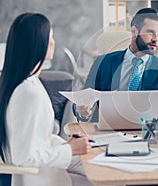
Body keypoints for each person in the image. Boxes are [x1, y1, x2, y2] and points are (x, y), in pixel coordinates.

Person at [0, 13, 92, 186]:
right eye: (50, 36)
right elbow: (24, 156)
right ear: (38, 43)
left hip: (47, 171)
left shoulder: (30, 82)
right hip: (41, 179)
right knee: (104, 179)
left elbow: (40, 138)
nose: (53, 42)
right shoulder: (28, 93)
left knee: (98, 166)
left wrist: (67, 145)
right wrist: (69, 150)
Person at [75, 8, 158, 121]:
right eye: (150, 32)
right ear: (134, 31)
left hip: (143, 132)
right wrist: (83, 111)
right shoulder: (103, 62)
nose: (156, 39)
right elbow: (82, 100)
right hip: (107, 131)